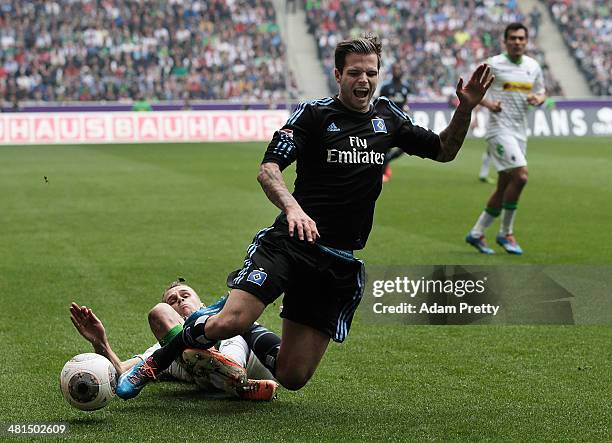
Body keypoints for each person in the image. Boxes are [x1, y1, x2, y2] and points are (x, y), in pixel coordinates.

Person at [117, 34, 493, 399]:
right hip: (291, 244)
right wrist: (293, 208)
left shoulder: (388, 118)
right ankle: (156, 362)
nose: (364, 80)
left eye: (371, 73)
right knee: (228, 322)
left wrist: (466, 108)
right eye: (355, 73)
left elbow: (445, 150)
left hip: (336, 262)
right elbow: (268, 170)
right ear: (338, 75)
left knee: (292, 375)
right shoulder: (314, 115)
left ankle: (246, 327)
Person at [70, 279, 278, 401]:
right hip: (190, 355)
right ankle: (235, 382)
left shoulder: (226, 318)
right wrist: (100, 341)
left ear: (202, 303)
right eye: (173, 300)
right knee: (163, 320)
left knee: (228, 327)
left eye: (185, 294)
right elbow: (123, 372)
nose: (179, 299)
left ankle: (227, 370)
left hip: (248, 357)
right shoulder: (162, 347)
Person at [465, 23, 546, 255]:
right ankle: (505, 232)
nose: (517, 42)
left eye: (521, 38)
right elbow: (472, 89)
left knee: (503, 187)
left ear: (526, 41)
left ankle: (477, 233)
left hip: (520, 132)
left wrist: (539, 99)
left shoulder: (533, 66)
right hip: (499, 130)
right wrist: (489, 104)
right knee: (521, 176)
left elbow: (542, 91)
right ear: (505, 41)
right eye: (513, 38)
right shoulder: (494, 64)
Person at [378, 63, 412, 182]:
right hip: (387, 122)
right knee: (385, 149)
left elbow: (404, 103)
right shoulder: (386, 87)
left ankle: (387, 160)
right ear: (392, 71)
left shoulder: (405, 87)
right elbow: (380, 103)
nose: (397, 71)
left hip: (400, 122)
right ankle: (381, 173)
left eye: (399, 69)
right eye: (395, 69)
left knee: (406, 146)